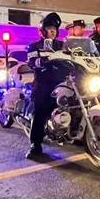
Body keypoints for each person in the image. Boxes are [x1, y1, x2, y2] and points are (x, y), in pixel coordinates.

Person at [25, 12, 66, 158]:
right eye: (49, 28)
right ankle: (35, 144)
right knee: (40, 111)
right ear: (42, 31)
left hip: (61, 83)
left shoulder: (62, 46)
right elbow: (31, 63)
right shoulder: (35, 46)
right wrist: (41, 61)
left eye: (54, 28)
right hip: (43, 83)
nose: (53, 31)